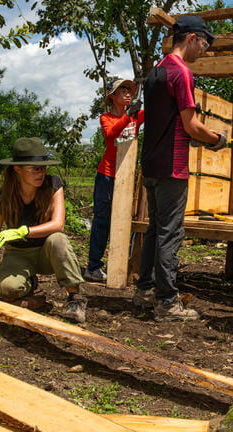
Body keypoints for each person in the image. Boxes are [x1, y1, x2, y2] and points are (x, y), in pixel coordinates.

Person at [135, 14, 227, 322]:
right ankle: (167, 303)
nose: (203, 50)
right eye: (203, 43)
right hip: (172, 167)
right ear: (191, 38)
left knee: (154, 230)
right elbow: (191, 125)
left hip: (151, 163)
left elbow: (170, 123)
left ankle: (145, 291)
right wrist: (216, 139)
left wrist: (196, 137)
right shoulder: (182, 72)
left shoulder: (156, 70)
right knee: (170, 233)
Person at [0, 138, 88, 323]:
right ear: (17, 169)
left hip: (48, 251)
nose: (41, 173)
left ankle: (75, 299)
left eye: (43, 168)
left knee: (58, 239)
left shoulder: (53, 184)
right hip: (19, 254)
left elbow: (57, 224)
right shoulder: (3, 197)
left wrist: (23, 231)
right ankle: (29, 284)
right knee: (8, 289)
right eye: (34, 168)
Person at [83, 79, 144, 282]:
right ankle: (93, 267)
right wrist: (129, 116)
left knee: (125, 218)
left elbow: (156, 112)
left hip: (126, 176)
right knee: (102, 220)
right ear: (112, 96)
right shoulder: (106, 118)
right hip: (107, 175)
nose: (128, 93)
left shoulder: (136, 116)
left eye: (130, 90)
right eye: (122, 90)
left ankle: (122, 264)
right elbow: (111, 135)